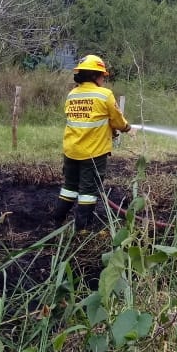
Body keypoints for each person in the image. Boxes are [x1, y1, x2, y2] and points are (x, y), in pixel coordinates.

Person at [53, 54, 134, 230]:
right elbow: (117, 120)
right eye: (102, 76)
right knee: (88, 192)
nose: (104, 79)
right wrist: (127, 128)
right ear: (94, 75)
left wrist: (108, 129)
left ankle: (57, 219)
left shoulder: (72, 95)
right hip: (93, 153)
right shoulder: (104, 95)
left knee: (69, 187)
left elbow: (87, 119)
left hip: (71, 150)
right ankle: (82, 230)